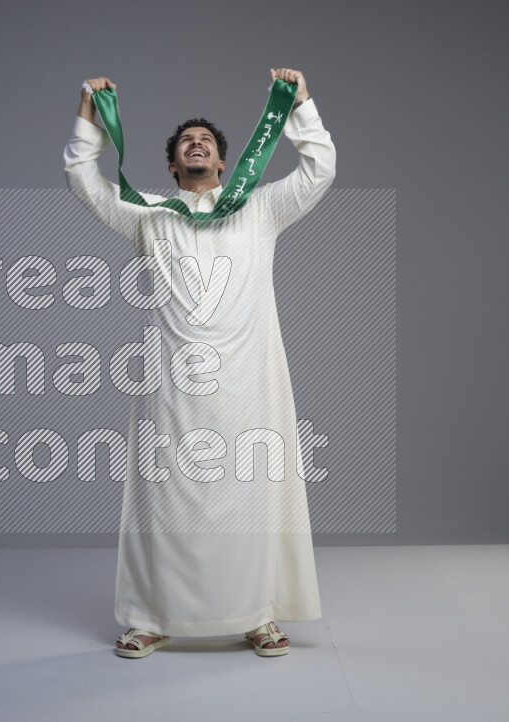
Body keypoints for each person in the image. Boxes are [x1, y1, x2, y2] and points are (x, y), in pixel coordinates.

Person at [63, 68, 336, 658]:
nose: (196, 143)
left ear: (224, 160)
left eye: (206, 141)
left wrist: (301, 105)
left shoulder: (260, 210)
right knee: (163, 501)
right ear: (171, 166)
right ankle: (149, 617)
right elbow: (83, 180)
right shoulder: (150, 214)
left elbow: (319, 171)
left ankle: (259, 614)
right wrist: (90, 115)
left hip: (250, 386)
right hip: (172, 388)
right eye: (186, 140)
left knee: (254, 497)